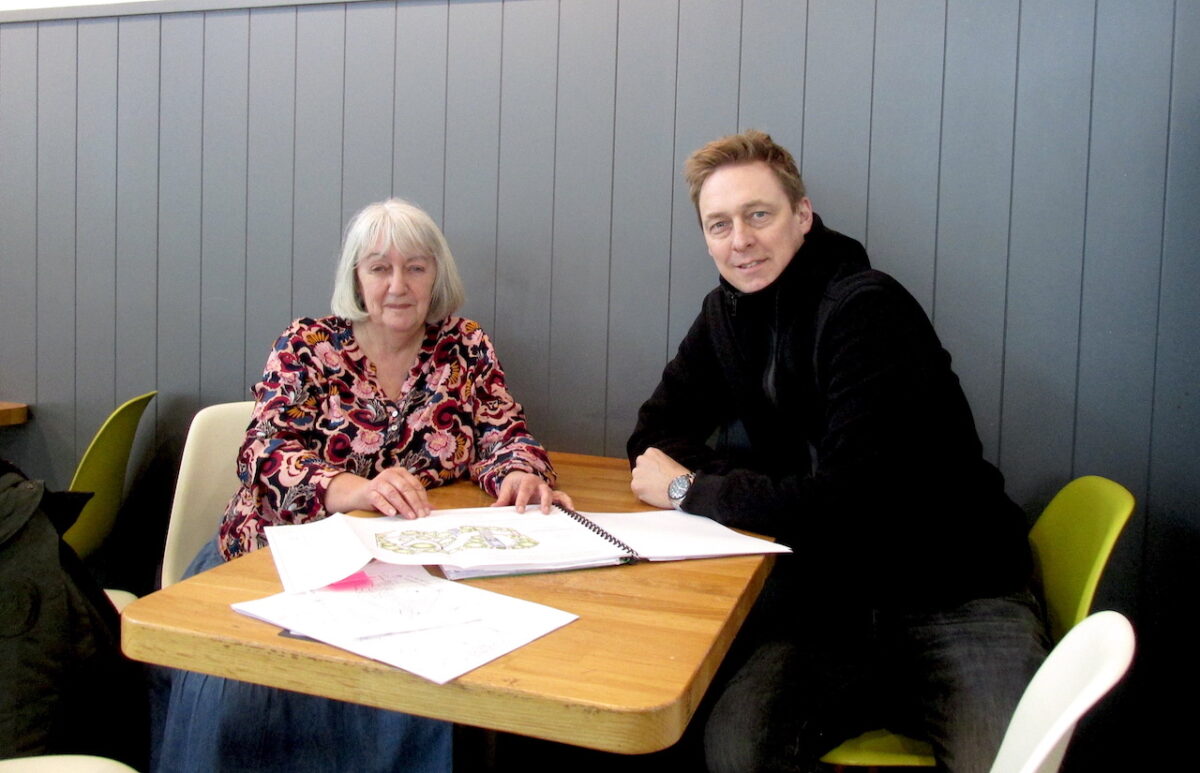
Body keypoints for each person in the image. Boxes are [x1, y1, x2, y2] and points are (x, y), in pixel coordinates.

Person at [627, 130, 1047, 773]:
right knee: (735, 749)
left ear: (802, 215)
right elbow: (653, 436)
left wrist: (692, 491)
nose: (740, 240)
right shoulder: (726, 313)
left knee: (1005, 762)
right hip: (832, 605)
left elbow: (850, 501)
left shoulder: (867, 310)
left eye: (758, 215)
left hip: (960, 596)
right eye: (719, 224)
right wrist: (763, 491)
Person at [157, 198, 570, 773]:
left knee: (428, 685)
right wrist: (349, 487)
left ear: (436, 276)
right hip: (273, 557)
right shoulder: (306, 345)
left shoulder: (464, 347)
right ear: (356, 277)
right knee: (246, 694)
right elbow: (262, 450)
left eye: (416, 267)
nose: (398, 285)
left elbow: (503, 432)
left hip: (403, 572)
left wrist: (520, 470)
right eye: (379, 268)